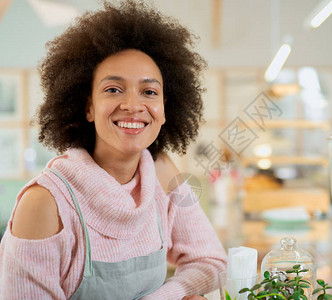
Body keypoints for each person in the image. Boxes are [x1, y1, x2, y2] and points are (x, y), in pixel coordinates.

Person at [0, 0, 227, 299]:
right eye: (113, 89)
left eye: (149, 92)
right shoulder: (44, 204)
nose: (133, 106)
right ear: (88, 107)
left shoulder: (162, 173)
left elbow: (210, 261)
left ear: (164, 109)